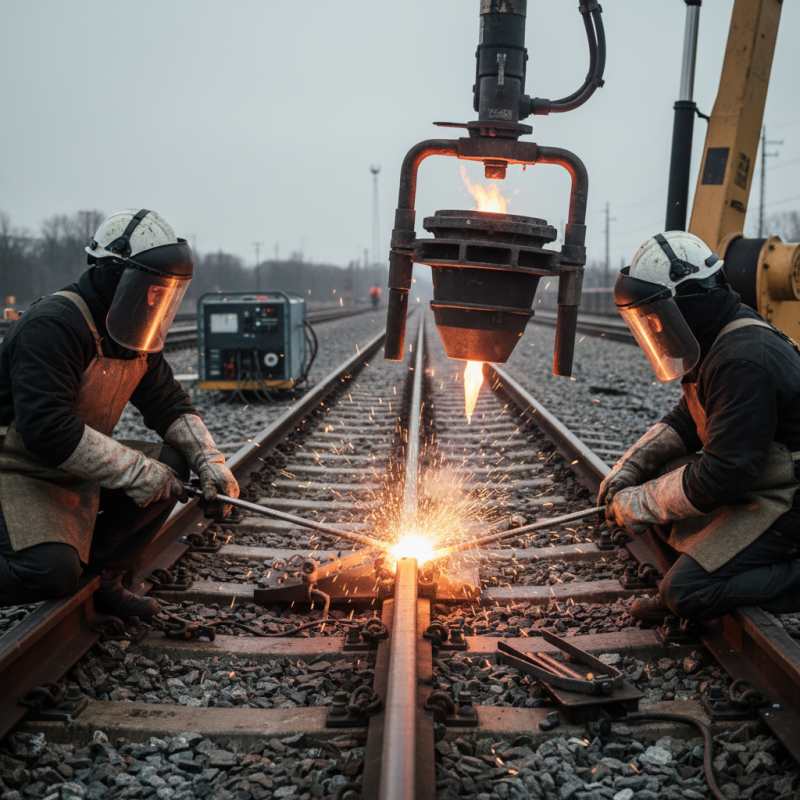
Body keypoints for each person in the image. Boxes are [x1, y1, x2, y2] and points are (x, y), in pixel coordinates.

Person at [0, 209, 239, 618]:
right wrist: (135, 472)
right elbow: (46, 429)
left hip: (75, 465)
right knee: (51, 571)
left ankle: (103, 580)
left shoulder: (133, 332)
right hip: (20, 469)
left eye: (163, 292)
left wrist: (211, 462)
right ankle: (65, 563)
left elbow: (168, 403)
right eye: (150, 287)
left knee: (172, 463)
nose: (154, 300)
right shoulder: (54, 326)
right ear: (114, 273)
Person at [600, 231, 800, 622]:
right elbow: (689, 418)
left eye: (655, 316)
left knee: (687, 593)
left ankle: (703, 582)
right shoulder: (714, 337)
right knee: (656, 481)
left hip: (789, 501)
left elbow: (728, 472)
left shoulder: (742, 358)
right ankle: (695, 571)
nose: (655, 329)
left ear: (687, 301)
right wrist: (633, 467)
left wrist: (641, 502)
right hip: (760, 480)